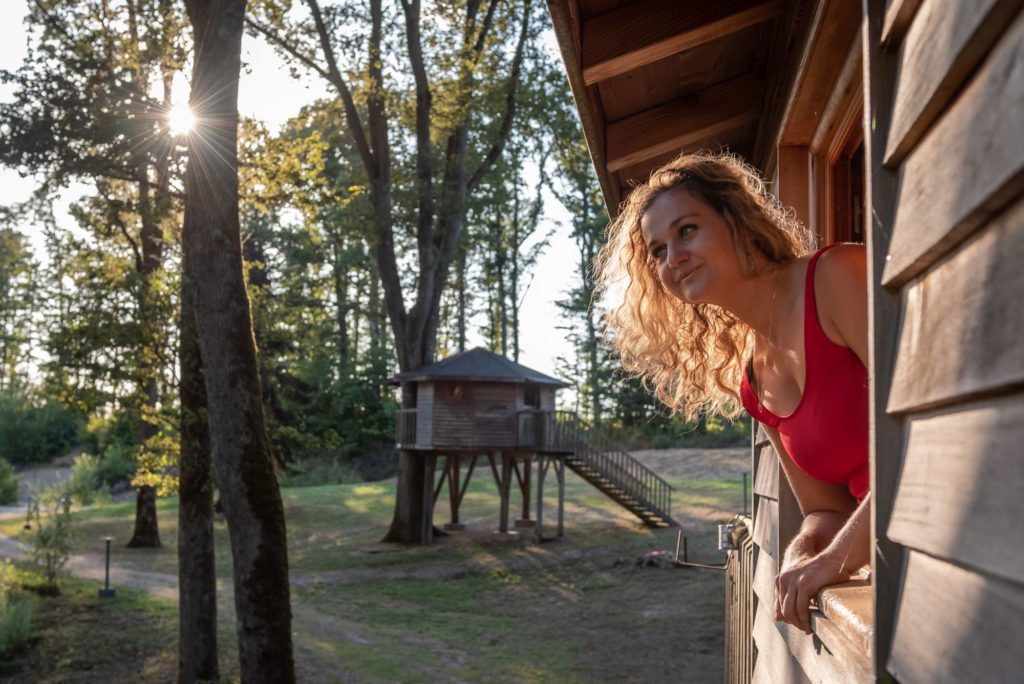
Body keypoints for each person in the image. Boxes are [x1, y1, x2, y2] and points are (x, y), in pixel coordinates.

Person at [594, 151, 870, 635]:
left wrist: (833, 563)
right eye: (657, 251)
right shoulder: (754, 382)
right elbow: (827, 511)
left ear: (737, 220)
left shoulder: (834, 277)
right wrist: (803, 550)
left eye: (686, 230)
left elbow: (926, 437)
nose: (673, 258)